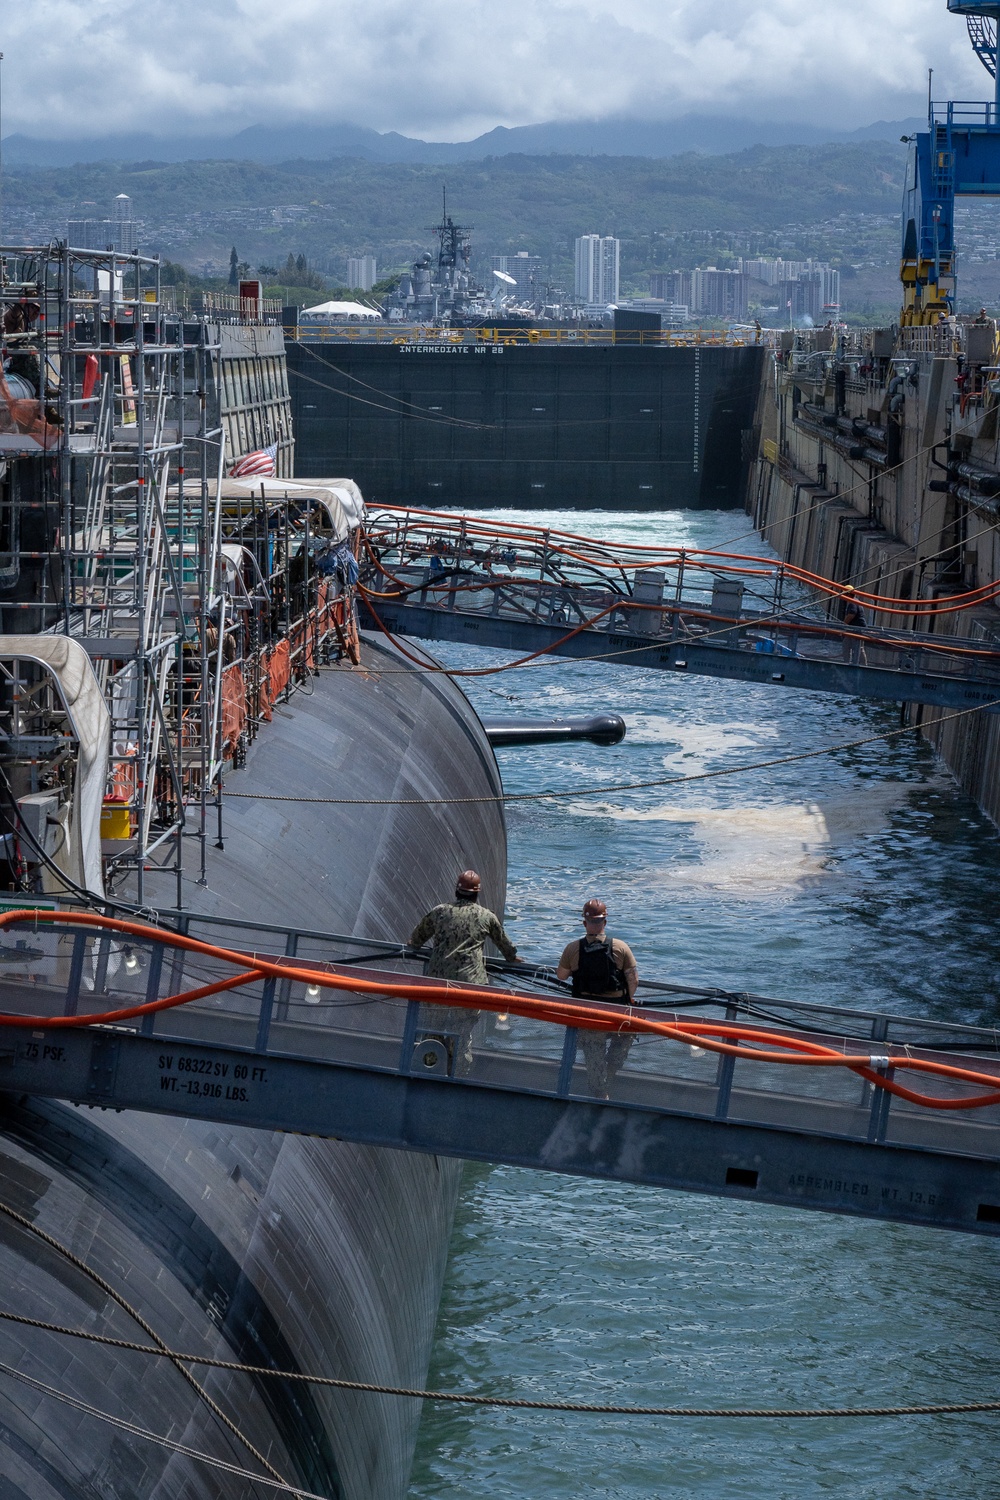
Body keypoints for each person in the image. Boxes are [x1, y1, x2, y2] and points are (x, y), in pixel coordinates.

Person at [409, 869, 520, 1072]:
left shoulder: (440, 911)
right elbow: (507, 948)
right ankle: (457, 1076)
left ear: (456, 891)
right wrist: (513, 958)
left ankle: (428, 1072)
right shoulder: (487, 917)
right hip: (469, 988)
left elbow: (416, 940)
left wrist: (413, 944)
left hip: (436, 987)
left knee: (431, 1033)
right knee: (461, 1036)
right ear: (477, 893)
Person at [556, 899, 638, 1099]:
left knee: (594, 1055)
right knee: (624, 1041)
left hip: (587, 1015)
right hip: (616, 1014)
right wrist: (630, 999)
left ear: (584, 923)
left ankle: (600, 1091)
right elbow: (633, 979)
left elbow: (561, 976)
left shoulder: (573, 948)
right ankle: (608, 1077)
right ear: (605, 922)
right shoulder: (620, 947)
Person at [839, 584, 868, 665]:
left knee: (858, 647)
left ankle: (862, 665)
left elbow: (851, 614)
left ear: (848, 594)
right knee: (847, 645)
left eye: (844, 594)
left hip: (856, 630)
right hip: (855, 629)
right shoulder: (856, 601)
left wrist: (844, 624)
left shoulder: (852, 603)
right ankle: (848, 662)